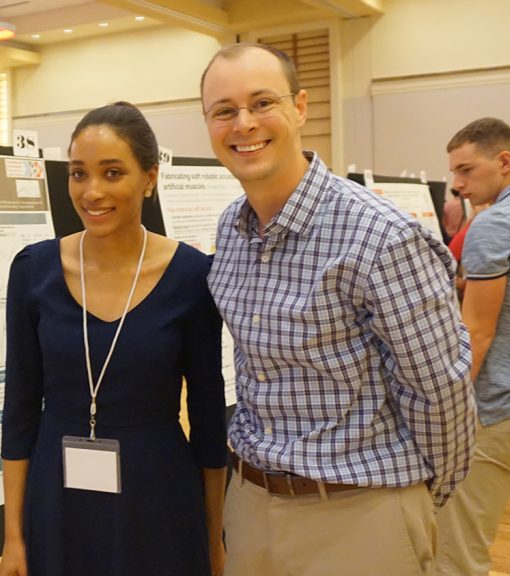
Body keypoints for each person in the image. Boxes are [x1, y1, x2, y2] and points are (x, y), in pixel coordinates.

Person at [200, 43, 475, 576]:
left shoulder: (382, 236)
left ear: (300, 107)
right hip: (252, 504)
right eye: (224, 110)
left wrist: (416, 500)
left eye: (262, 102)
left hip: (360, 513)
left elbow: (440, 389)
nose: (244, 123)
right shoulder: (230, 230)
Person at [0, 101, 228, 576]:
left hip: (157, 494)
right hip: (57, 494)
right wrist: (14, 538)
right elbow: (19, 409)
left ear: (149, 178)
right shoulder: (33, 270)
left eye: (112, 172)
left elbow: (208, 417)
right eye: (79, 174)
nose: (92, 191)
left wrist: (214, 536)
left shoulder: (191, 276)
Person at [437, 117, 510, 576]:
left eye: (466, 170)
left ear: (503, 161)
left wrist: (448, 406)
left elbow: (476, 332)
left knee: (458, 558)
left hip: (502, 408)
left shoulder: (495, 223)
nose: (457, 185)